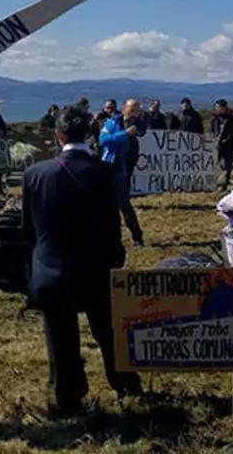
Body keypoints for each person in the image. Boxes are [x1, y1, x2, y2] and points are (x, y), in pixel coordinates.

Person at [22, 104, 143, 417]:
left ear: (58, 135)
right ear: (90, 134)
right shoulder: (104, 173)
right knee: (108, 331)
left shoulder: (35, 174)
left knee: (60, 339)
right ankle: (126, 386)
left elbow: (28, 228)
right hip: (98, 265)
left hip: (53, 268)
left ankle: (67, 396)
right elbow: (112, 223)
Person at [99, 99, 146, 247]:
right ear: (125, 109)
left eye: (137, 111)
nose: (134, 113)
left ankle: (137, 237)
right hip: (109, 167)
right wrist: (124, 134)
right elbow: (104, 140)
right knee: (105, 205)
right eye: (132, 110)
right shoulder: (113, 123)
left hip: (122, 171)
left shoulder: (138, 124)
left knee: (124, 205)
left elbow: (142, 131)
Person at [210, 99, 233, 190]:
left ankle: (225, 185)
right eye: (216, 107)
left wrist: (223, 142)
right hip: (216, 146)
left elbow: (232, 133)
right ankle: (213, 183)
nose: (217, 109)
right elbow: (211, 130)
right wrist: (213, 140)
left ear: (224, 108)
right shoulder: (214, 118)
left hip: (228, 146)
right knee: (213, 165)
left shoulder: (231, 118)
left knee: (227, 166)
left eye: (219, 107)